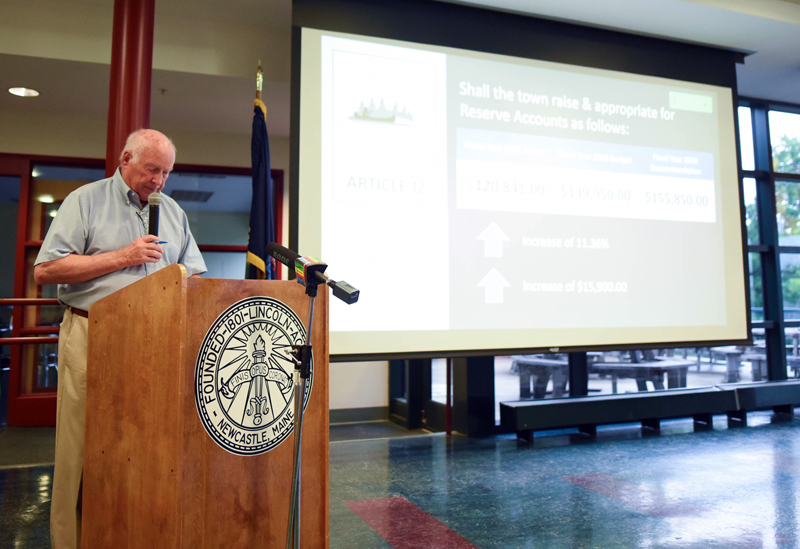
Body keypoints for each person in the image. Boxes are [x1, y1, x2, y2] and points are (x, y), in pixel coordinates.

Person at [34, 129, 207, 549]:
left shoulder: (173, 212)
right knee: (81, 447)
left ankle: (136, 533)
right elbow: (46, 271)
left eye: (166, 173)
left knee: (146, 445)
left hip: (157, 342)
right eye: (152, 170)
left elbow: (194, 272)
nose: (159, 182)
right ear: (125, 158)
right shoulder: (85, 200)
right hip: (94, 333)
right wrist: (123, 257)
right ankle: (72, 541)